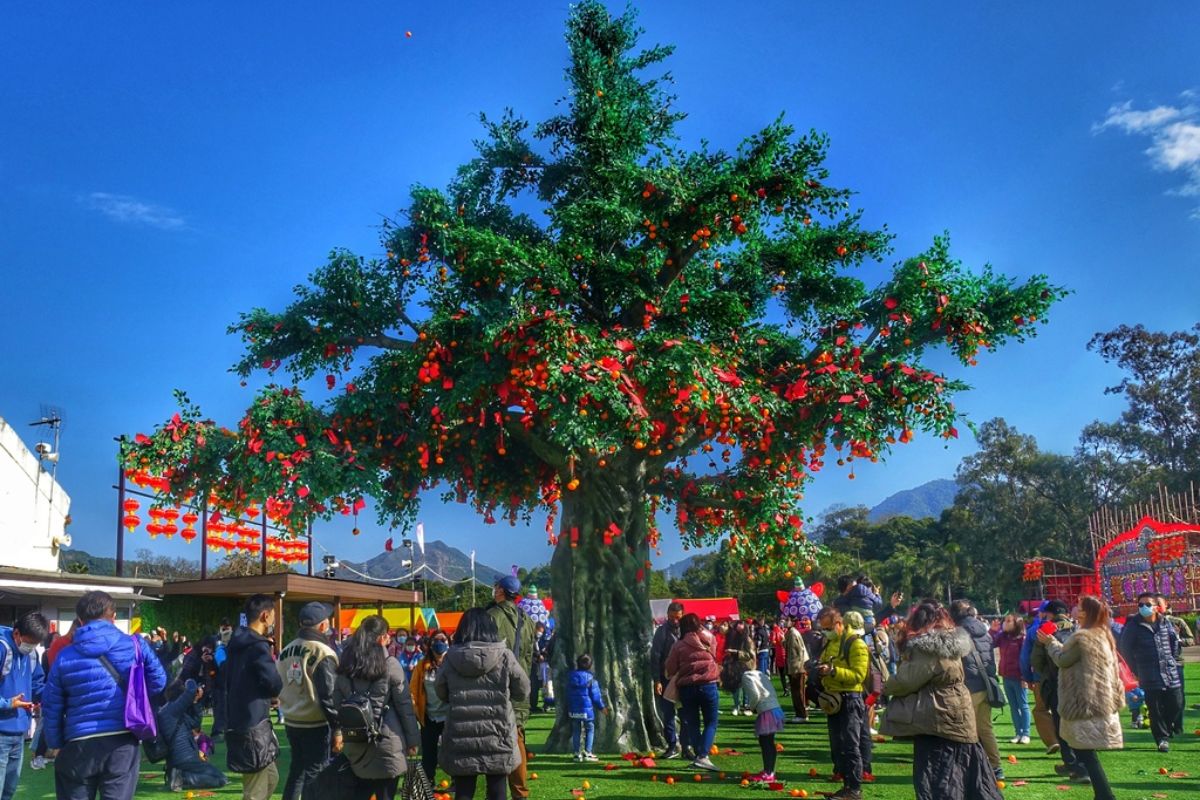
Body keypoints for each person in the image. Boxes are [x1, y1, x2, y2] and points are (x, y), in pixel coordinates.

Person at [43, 591, 169, 800]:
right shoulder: (136, 645)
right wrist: (135, 697)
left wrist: (55, 743)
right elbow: (159, 681)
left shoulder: (65, 656)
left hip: (78, 740)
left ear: (80, 620)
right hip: (122, 737)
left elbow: (52, 704)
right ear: (113, 617)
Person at [879, 600, 1001, 800]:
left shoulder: (928, 648)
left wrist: (885, 685)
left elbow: (905, 681)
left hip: (937, 718)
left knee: (941, 780)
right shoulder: (954, 643)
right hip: (959, 711)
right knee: (967, 779)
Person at [436, 608, 529, 800]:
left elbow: (441, 692)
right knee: (497, 789)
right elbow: (523, 690)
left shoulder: (451, 658)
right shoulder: (504, 656)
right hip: (498, 733)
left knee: (463, 791)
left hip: (461, 734)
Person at [1038, 596, 1123, 800]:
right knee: (1085, 750)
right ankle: (1102, 794)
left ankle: (1105, 795)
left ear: (1085, 612)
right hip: (1096, 696)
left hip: (1082, 698)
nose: (1075, 609)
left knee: (1085, 752)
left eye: (1079, 607)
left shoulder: (1085, 637)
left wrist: (1050, 643)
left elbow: (1063, 660)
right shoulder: (1102, 633)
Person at [333, 615, 421, 800]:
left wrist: (339, 732)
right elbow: (404, 706)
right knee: (385, 795)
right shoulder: (390, 665)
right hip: (387, 740)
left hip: (356, 740)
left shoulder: (346, 666)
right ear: (381, 638)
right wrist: (413, 740)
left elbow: (337, 703)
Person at [277, 602, 340, 800]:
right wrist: (337, 727)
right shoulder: (322, 651)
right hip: (316, 722)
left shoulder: (286, 649)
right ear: (323, 625)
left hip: (291, 719)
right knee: (316, 773)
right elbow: (328, 695)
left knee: (297, 770)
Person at [223, 594, 284, 800]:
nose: (274, 620)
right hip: (253, 725)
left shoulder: (235, 645)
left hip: (240, 718)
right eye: (273, 615)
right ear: (265, 616)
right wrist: (273, 693)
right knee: (255, 790)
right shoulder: (258, 645)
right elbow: (273, 681)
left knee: (271, 778)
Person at [486, 575, 536, 799]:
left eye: (496, 587)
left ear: (500, 591)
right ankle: (520, 792)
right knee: (518, 740)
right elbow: (529, 657)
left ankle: (497, 793)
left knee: (493, 740)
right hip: (520, 687)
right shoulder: (528, 620)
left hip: (496, 687)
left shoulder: (490, 616)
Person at [815, 607, 869, 800]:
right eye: (823, 629)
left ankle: (854, 789)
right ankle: (846, 786)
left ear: (839, 624)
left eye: (828, 628)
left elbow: (859, 675)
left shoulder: (856, 644)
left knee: (851, 746)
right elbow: (825, 663)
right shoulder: (831, 642)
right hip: (833, 700)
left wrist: (833, 671)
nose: (825, 632)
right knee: (838, 746)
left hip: (850, 699)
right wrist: (817, 669)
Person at [1119, 591, 1182, 752]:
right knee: (1154, 708)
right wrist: (1135, 669)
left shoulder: (1165, 622)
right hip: (1148, 672)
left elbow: (1174, 641)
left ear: (1156, 607)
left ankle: (1166, 727)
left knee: (1176, 703)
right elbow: (1125, 648)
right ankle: (1162, 739)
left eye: (1148, 604)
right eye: (1141, 605)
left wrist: (1172, 659)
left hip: (1169, 670)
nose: (1144, 607)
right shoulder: (1134, 626)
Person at [1031, 599, 1086, 782]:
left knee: (1061, 726)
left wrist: (1045, 673)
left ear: (1050, 614)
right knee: (1078, 724)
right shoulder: (1078, 629)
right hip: (1079, 684)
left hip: (1055, 684)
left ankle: (1072, 764)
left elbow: (1036, 661)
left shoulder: (1046, 631)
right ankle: (1083, 764)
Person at [950, 601, 1003, 780]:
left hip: (968, 687)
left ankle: (968, 767)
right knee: (985, 728)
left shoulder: (957, 634)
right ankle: (995, 766)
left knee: (964, 729)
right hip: (986, 685)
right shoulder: (984, 632)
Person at [665, 613, 720, 772]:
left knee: (692, 723)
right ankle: (703, 755)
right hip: (708, 684)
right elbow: (715, 655)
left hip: (687, 687)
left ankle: (699, 755)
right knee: (711, 722)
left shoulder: (678, 645)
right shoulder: (709, 639)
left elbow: (670, 667)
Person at [0, 612, 47, 800]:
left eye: (35, 643)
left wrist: (51, 698)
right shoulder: (2, 648)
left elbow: (37, 685)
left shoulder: (32, 655)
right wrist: (8, 703)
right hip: (1, 731)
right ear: (17, 633)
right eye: (29, 642)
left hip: (19, 733)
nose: (31, 647)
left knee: (8, 791)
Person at [159, 679, 228, 791]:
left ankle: (178, 776)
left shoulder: (170, 711)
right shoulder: (173, 710)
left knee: (215, 776)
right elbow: (191, 689)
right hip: (185, 758)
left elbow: (195, 724)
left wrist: (195, 702)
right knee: (221, 779)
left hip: (181, 759)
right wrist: (190, 681)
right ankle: (182, 779)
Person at [409, 629, 450, 782]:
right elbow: (413, 689)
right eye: (436, 640)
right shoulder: (422, 665)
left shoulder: (452, 664)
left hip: (449, 715)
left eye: (443, 640)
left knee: (453, 750)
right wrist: (415, 708)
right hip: (429, 716)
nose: (440, 643)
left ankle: (456, 781)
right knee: (428, 753)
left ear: (448, 643)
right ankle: (428, 782)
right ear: (430, 644)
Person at [1019, 603, 1060, 753]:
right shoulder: (1071, 626)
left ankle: (1052, 741)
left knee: (1041, 710)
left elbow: (1025, 657)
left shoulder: (1033, 631)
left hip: (1041, 678)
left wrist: (1028, 677)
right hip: (1066, 676)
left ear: (1043, 613)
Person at [741, 664, 785, 783]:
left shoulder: (745, 676)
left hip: (766, 710)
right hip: (774, 708)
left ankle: (768, 773)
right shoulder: (759, 673)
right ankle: (769, 770)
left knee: (766, 743)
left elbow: (755, 695)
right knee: (768, 742)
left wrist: (751, 707)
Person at [650, 601, 683, 758]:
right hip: (666, 678)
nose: (674, 620)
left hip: (684, 677)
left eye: (677, 617)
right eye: (671, 617)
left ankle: (686, 744)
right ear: (667, 616)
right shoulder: (661, 632)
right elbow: (655, 656)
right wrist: (657, 680)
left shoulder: (686, 631)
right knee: (667, 712)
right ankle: (672, 744)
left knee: (685, 712)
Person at [993, 613, 1030, 745]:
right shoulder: (1003, 636)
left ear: (1016, 624)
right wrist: (993, 630)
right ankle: (1018, 732)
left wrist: (1024, 677)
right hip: (1006, 675)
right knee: (1013, 706)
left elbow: (1026, 659)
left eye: (1009, 621)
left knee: (1023, 705)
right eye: (1005, 620)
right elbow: (990, 643)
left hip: (1019, 677)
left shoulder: (1022, 639)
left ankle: (1026, 733)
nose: (1005, 623)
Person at [566, 654, 608, 761]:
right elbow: (596, 697)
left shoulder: (571, 677)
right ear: (590, 665)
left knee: (576, 730)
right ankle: (588, 752)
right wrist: (602, 707)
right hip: (587, 710)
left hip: (574, 709)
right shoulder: (591, 679)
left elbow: (567, 694)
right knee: (590, 729)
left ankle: (577, 753)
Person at [723, 619, 756, 715]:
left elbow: (749, 655)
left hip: (746, 666)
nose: (738, 626)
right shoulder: (734, 639)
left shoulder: (748, 640)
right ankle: (736, 706)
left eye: (741, 624)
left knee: (746, 687)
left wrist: (736, 652)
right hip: (735, 665)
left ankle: (747, 706)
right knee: (735, 686)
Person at [784, 615, 810, 723]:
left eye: (787, 620)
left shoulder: (793, 633)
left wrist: (797, 668)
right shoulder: (790, 633)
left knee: (799, 693)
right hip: (794, 667)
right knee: (796, 692)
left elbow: (799, 652)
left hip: (797, 668)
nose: (784, 621)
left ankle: (802, 715)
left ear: (793, 621)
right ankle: (799, 714)